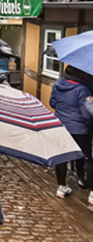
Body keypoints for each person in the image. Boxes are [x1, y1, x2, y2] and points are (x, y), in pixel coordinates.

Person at [50, 65, 93, 202]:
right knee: (88, 158)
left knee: (62, 157)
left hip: (61, 126)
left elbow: (52, 103)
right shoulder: (83, 89)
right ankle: (89, 190)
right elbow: (86, 114)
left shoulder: (58, 84)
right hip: (80, 130)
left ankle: (62, 187)